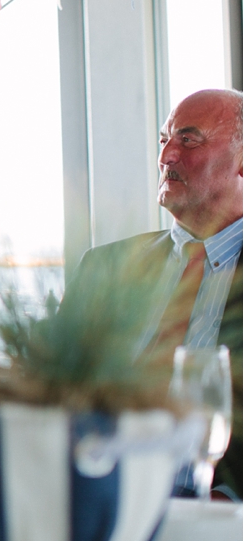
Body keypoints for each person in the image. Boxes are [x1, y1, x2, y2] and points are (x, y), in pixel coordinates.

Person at [54, 88, 242, 498]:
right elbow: (49, 391)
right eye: (164, 140)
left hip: (223, 508)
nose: (166, 155)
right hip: (98, 498)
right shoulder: (104, 268)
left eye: (188, 140)